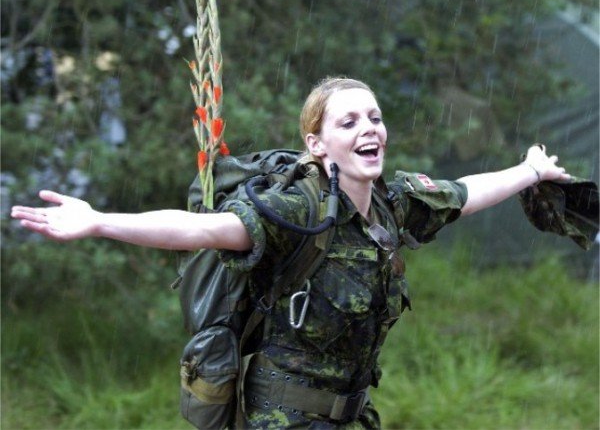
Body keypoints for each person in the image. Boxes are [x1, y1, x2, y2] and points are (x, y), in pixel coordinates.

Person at [11, 77, 570, 429]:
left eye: (374, 117)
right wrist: (98, 222)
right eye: (348, 121)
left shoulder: (393, 204)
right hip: (283, 418)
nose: (369, 128)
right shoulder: (296, 210)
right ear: (316, 143)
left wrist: (530, 171)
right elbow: (199, 229)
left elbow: (467, 194)